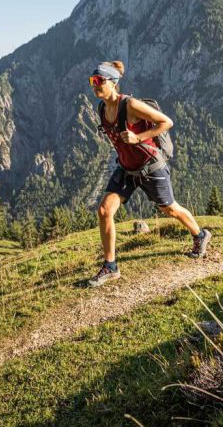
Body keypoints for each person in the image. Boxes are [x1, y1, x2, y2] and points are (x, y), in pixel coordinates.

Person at [87, 61, 212, 287]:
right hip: (126, 169)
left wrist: (138, 137)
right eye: (92, 81)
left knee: (169, 208)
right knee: (105, 211)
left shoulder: (131, 105)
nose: (95, 85)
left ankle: (200, 234)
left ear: (114, 83)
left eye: (99, 81)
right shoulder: (102, 109)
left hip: (150, 166)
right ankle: (110, 266)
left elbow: (167, 122)